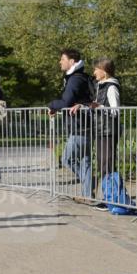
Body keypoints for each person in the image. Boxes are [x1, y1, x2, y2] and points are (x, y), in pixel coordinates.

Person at [47, 48, 93, 199]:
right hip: (85, 125)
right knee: (85, 161)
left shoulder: (74, 79)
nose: (60, 62)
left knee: (67, 159)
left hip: (79, 126)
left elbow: (66, 102)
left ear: (72, 61)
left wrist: (51, 105)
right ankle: (88, 195)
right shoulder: (81, 77)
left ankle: (89, 182)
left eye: (62, 59)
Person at [87, 58, 121, 210]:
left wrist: (98, 107)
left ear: (104, 71)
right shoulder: (100, 86)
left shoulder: (111, 87)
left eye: (96, 69)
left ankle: (111, 199)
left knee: (107, 164)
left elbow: (115, 111)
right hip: (101, 130)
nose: (94, 72)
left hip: (108, 130)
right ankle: (108, 197)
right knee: (103, 164)